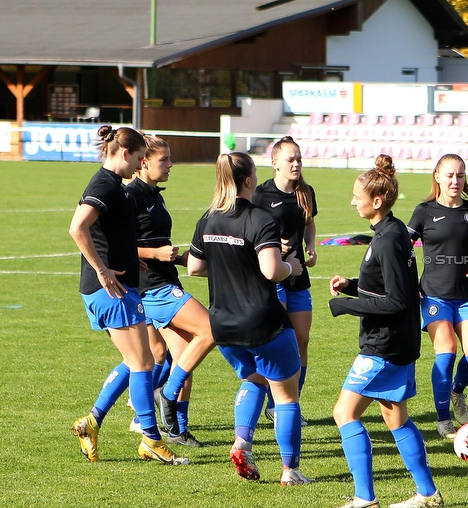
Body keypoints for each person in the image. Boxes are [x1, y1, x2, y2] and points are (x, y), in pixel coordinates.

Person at [324, 155, 442, 508]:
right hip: (400, 341)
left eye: (357, 195)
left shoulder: (389, 239)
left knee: (343, 413)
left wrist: (347, 305)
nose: (352, 201)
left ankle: (364, 499)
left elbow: (397, 302)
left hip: (384, 345)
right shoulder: (391, 233)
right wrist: (354, 285)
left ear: (376, 201)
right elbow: (394, 288)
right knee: (395, 418)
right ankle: (427, 492)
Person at [186, 152, 311, 486]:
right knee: (286, 396)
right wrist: (292, 267)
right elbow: (271, 270)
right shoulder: (259, 219)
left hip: (223, 327)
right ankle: (291, 471)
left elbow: (195, 267)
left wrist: (232, 266)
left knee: (254, 380)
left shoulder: (208, 218)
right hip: (262, 323)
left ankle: (242, 443)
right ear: (248, 180)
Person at [69, 125, 187, 465]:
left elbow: (112, 235)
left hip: (121, 284)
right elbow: (77, 228)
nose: (140, 165)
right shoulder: (104, 184)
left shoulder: (116, 187)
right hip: (110, 289)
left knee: (138, 359)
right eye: (138, 158)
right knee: (144, 362)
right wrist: (103, 269)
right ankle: (150, 439)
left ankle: (91, 422)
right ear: (124, 154)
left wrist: (132, 261)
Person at [128, 135, 216, 447]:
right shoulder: (131, 196)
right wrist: (155, 256)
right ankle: (161, 396)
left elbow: (154, 242)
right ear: (143, 162)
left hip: (166, 280)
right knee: (210, 329)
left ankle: (178, 429)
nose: (170, 165)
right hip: (153, 288)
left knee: (184, 360)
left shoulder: (154, 194)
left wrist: (177, 258)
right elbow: (118, 247)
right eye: (164, 160)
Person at [406, 154, 468, 439]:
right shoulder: (424, 211)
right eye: (450, 175)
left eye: (460, 175)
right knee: (447, 351)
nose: (455, 181)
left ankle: (457, 392)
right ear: (437, 176)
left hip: (465, 295)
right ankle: (443, 422)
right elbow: (403, 247)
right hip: (433, 295)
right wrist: (408, 279)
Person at [252, 136, 318, 423]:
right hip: (272, 275)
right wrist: (270, 245)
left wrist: (311, 246)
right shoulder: (260, 194)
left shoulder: (306, 191)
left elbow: (309, 222)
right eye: (290, 159)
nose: (296, 164)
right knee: (281, 340)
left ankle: (290, 404)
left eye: (299, 159)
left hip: (298, 274)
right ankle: (275, 403)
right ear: (274, 163)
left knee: (301, 339)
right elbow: (251, 227)